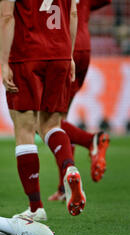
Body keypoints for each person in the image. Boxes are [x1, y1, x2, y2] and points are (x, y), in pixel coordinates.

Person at [0, 0, 86, 221]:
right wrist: (70, 54)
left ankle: (36, 208)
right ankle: (69, 167)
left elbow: (6, 17)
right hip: (61, 54)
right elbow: (73, 14)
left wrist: (4, 62)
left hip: (27, 55)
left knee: (25, 130)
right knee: (51, 125)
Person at [48, 0, 111, 202]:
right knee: (59, 120)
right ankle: (64, 186)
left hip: (64, 47)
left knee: (44, 120)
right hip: (84, 48)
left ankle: (91, 140)